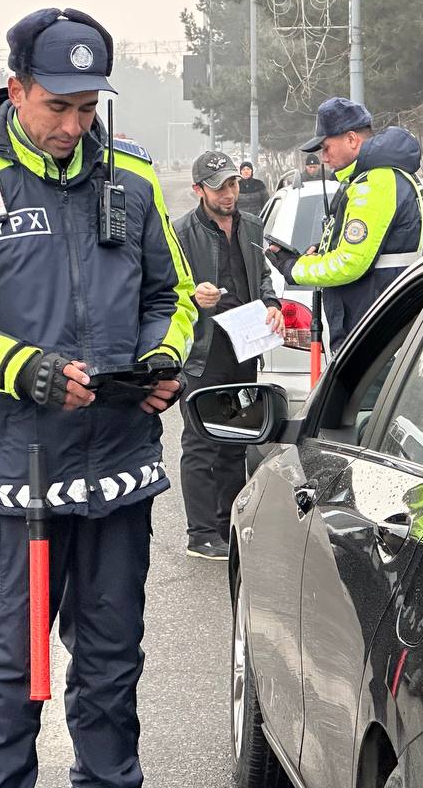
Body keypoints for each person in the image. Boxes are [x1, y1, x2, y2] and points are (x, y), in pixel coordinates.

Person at [0, 7, 197, 788]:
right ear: (17, 89)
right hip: (14, 484)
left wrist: (162, 356)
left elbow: (172, 297)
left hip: (118, 476)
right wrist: (21, 367)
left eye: (88, 107)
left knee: (110, 674)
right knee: (10, 680)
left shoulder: (130, 178)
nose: (73, 124)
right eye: (57, 106)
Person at [173, 150, 284, 560]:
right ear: (199, 189)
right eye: (220, 186)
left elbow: (264, 277)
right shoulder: (181, 231)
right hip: (203, 349)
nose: (229, 193)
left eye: (233, 184)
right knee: (201, 440)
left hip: (246, 343)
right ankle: (200, 533)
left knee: (236, 439)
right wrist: (191, 294)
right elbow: (159, 287)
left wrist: (271, 303)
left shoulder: (252, 225)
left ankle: (228, 524)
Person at [267, 96, 423, 347]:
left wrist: (294, 269)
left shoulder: (374, 183)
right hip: (377, 319)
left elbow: (350, 261)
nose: (323, 158)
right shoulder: (372, 178)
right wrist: (320, 253)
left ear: (352, 139)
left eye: (326, 147)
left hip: (373, 328)